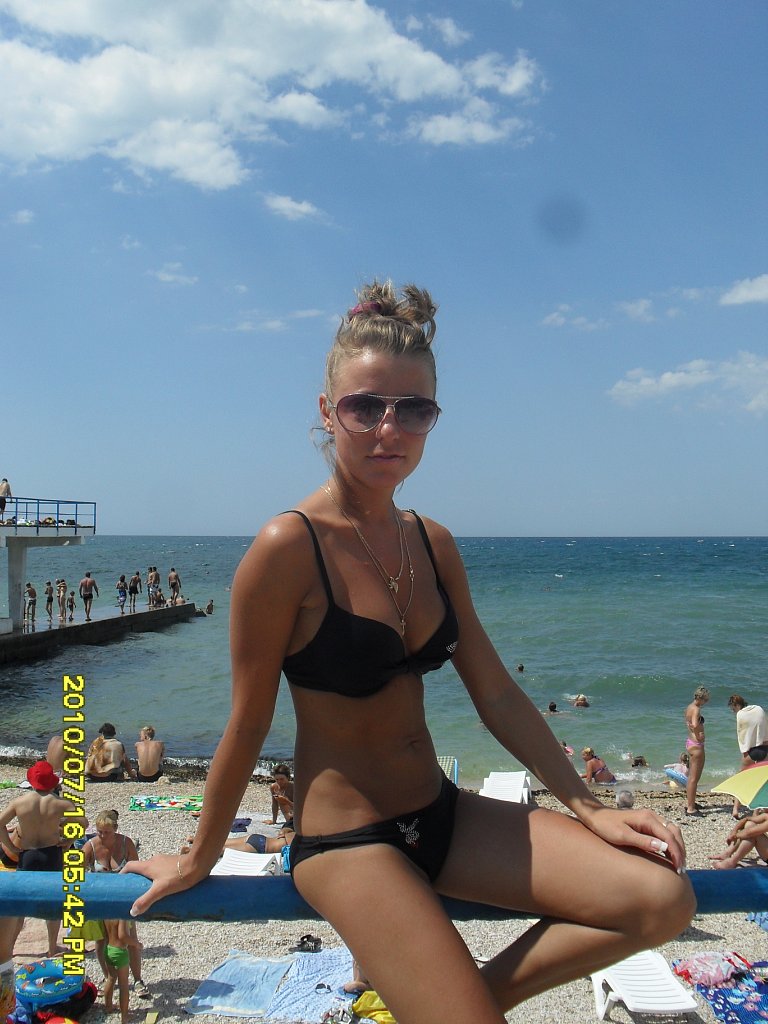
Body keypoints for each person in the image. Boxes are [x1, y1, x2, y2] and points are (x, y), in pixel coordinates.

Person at [125, 280, 693, 1020]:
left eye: (413, 409)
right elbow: (248, 720)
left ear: (433, 419)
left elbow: (495, 694)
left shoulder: (432, 543)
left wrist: (587, 806)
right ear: (327, 412)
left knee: (662, 899)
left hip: (442, 814)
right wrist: (199, 855)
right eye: (365, 407)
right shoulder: (287, 547)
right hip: (348, 842)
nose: (388, 429)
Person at [0, 761, 70, 955]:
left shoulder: (20, 802)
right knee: (54, 902)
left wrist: (10, 846)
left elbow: (0, 824)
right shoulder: (60, 803)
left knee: (19, 905)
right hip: (51, 854)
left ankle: (10, 948)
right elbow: (83, 822)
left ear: (31, 781)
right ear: (52, 782)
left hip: (27, 854)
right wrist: (68, 841)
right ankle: (52, 947)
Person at [83, 810, 148, 999]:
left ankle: (137, 980)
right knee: (101, 940)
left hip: (123, 898)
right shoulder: (90, 846)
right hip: (99, 899)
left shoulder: (126, 843)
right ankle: (107, 977)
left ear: (116, 829)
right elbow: (76, 873)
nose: (102, 836)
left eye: (107, 832)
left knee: (130, 939)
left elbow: (138, 870)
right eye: (99, 832)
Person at [727, 694, 768, 818]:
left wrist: (744, 751)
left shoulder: (740, 715)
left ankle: (735, 809)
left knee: (742, 779)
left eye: (733, 709)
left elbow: (742, 734)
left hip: (750, 751)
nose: (733, 711)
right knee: (762, 781)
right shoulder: (758, 709)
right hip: (765, 748)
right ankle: (758, 811)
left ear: (736, 705)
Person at [102, 917, 141, 1024]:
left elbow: (105, 933)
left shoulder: (106, 914)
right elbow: (123, 935)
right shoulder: (121, 915)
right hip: (120, 952)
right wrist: (136, 944)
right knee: (123, 984)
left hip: (108, 948)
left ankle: (108, 1006)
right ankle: (125, 1016)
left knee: (111, 978)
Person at [684, 685, 709, 816]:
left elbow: (688, 722)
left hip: (690, 742)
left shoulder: (689, 707)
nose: (706, 702)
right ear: (701, 698)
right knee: (694, 778)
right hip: (696, 744)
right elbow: (694, 724)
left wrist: (693, 728)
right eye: (706, 700)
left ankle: (691, 802)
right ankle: (690, 808)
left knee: (692, 777)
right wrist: (699, 734)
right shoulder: (696, 709)